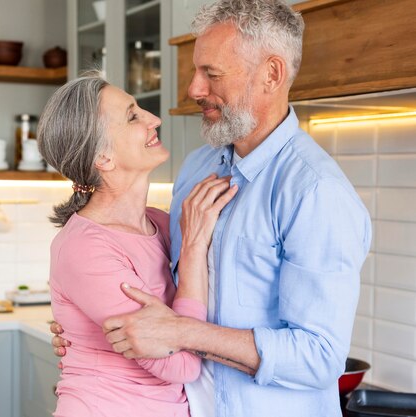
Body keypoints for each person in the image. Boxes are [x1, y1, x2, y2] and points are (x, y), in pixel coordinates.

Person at [51, 1, 372, 416]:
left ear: (271, 75)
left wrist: (182, 332)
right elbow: (152, 284)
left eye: (211, 74)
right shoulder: (197, 167)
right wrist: (84, 328)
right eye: (195, 71)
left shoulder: (315, 192)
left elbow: (320, 357)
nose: (194, 90)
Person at [37, 72, 237, 416]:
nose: (154, 119)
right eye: (133, 116)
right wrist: (192, 247)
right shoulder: (84, 248)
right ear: (103, 158)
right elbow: (182, 366)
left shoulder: (160, 222)